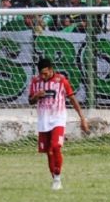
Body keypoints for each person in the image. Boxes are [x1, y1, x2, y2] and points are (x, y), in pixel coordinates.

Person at [28, 58, 89, 190]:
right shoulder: (35, 81)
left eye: (45, 73)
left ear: (51, 70)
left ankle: (57, 178)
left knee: (56, 146)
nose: (43, 76)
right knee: (48, 152)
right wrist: (36, 96)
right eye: (41, 74)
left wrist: (82, 118)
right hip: (43, 120)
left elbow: (72, 98)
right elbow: (30, 101)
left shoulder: (61, 80)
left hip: (58, 118)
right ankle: (55, 179)